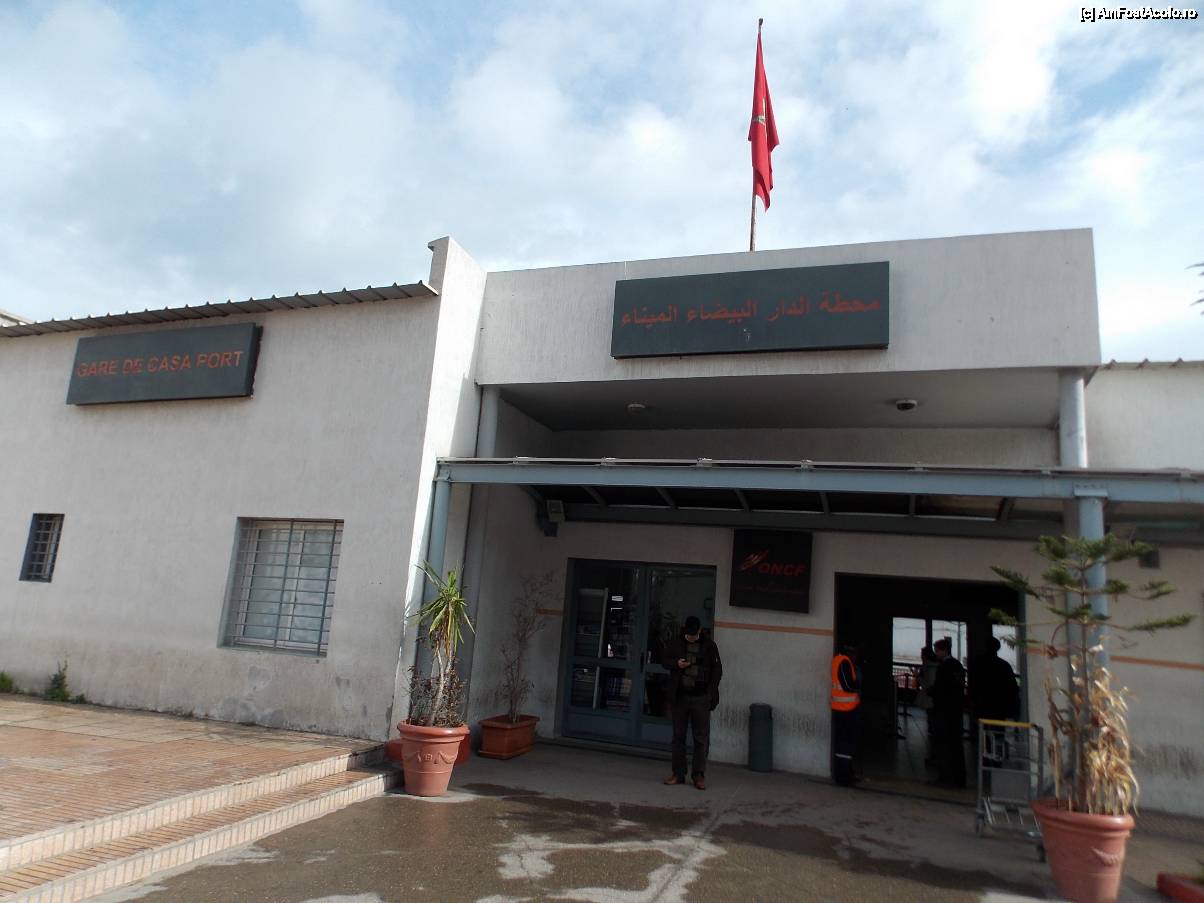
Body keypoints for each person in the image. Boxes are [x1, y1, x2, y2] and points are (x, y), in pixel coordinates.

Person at [662, 615, 722, 790]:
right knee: (678, 737)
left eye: (694, 635)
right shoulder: (676, 643)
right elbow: (664, 661)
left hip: (701, 697)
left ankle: (698, 775)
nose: (691, 638)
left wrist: (710, 693)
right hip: (680, 696)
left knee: (701, 738)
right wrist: (676, 663)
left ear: (700, 631)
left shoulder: (709, 646)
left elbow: (717, 670)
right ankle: (678, 773)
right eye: (688, 635)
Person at [930, 637, 967, 788]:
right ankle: (959, 777)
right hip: (956, 710)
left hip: (943, 710)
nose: (936, 654)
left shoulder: (944, 667)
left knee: (943, 744)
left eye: (937, 651)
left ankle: (945, 777)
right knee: (956, 744)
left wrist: (931, 692)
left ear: (944, 650)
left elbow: (940, 688)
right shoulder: (958, 666)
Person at [830, 645, 861, 786]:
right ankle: (844, 775)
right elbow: (848, 686)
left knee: (844, 742)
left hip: (843, 708)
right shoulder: (843, 662)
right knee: (845, 743)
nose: (856, 657)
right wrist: (857, 684)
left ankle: (845, 773)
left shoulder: (839, 660)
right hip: (845, 709)